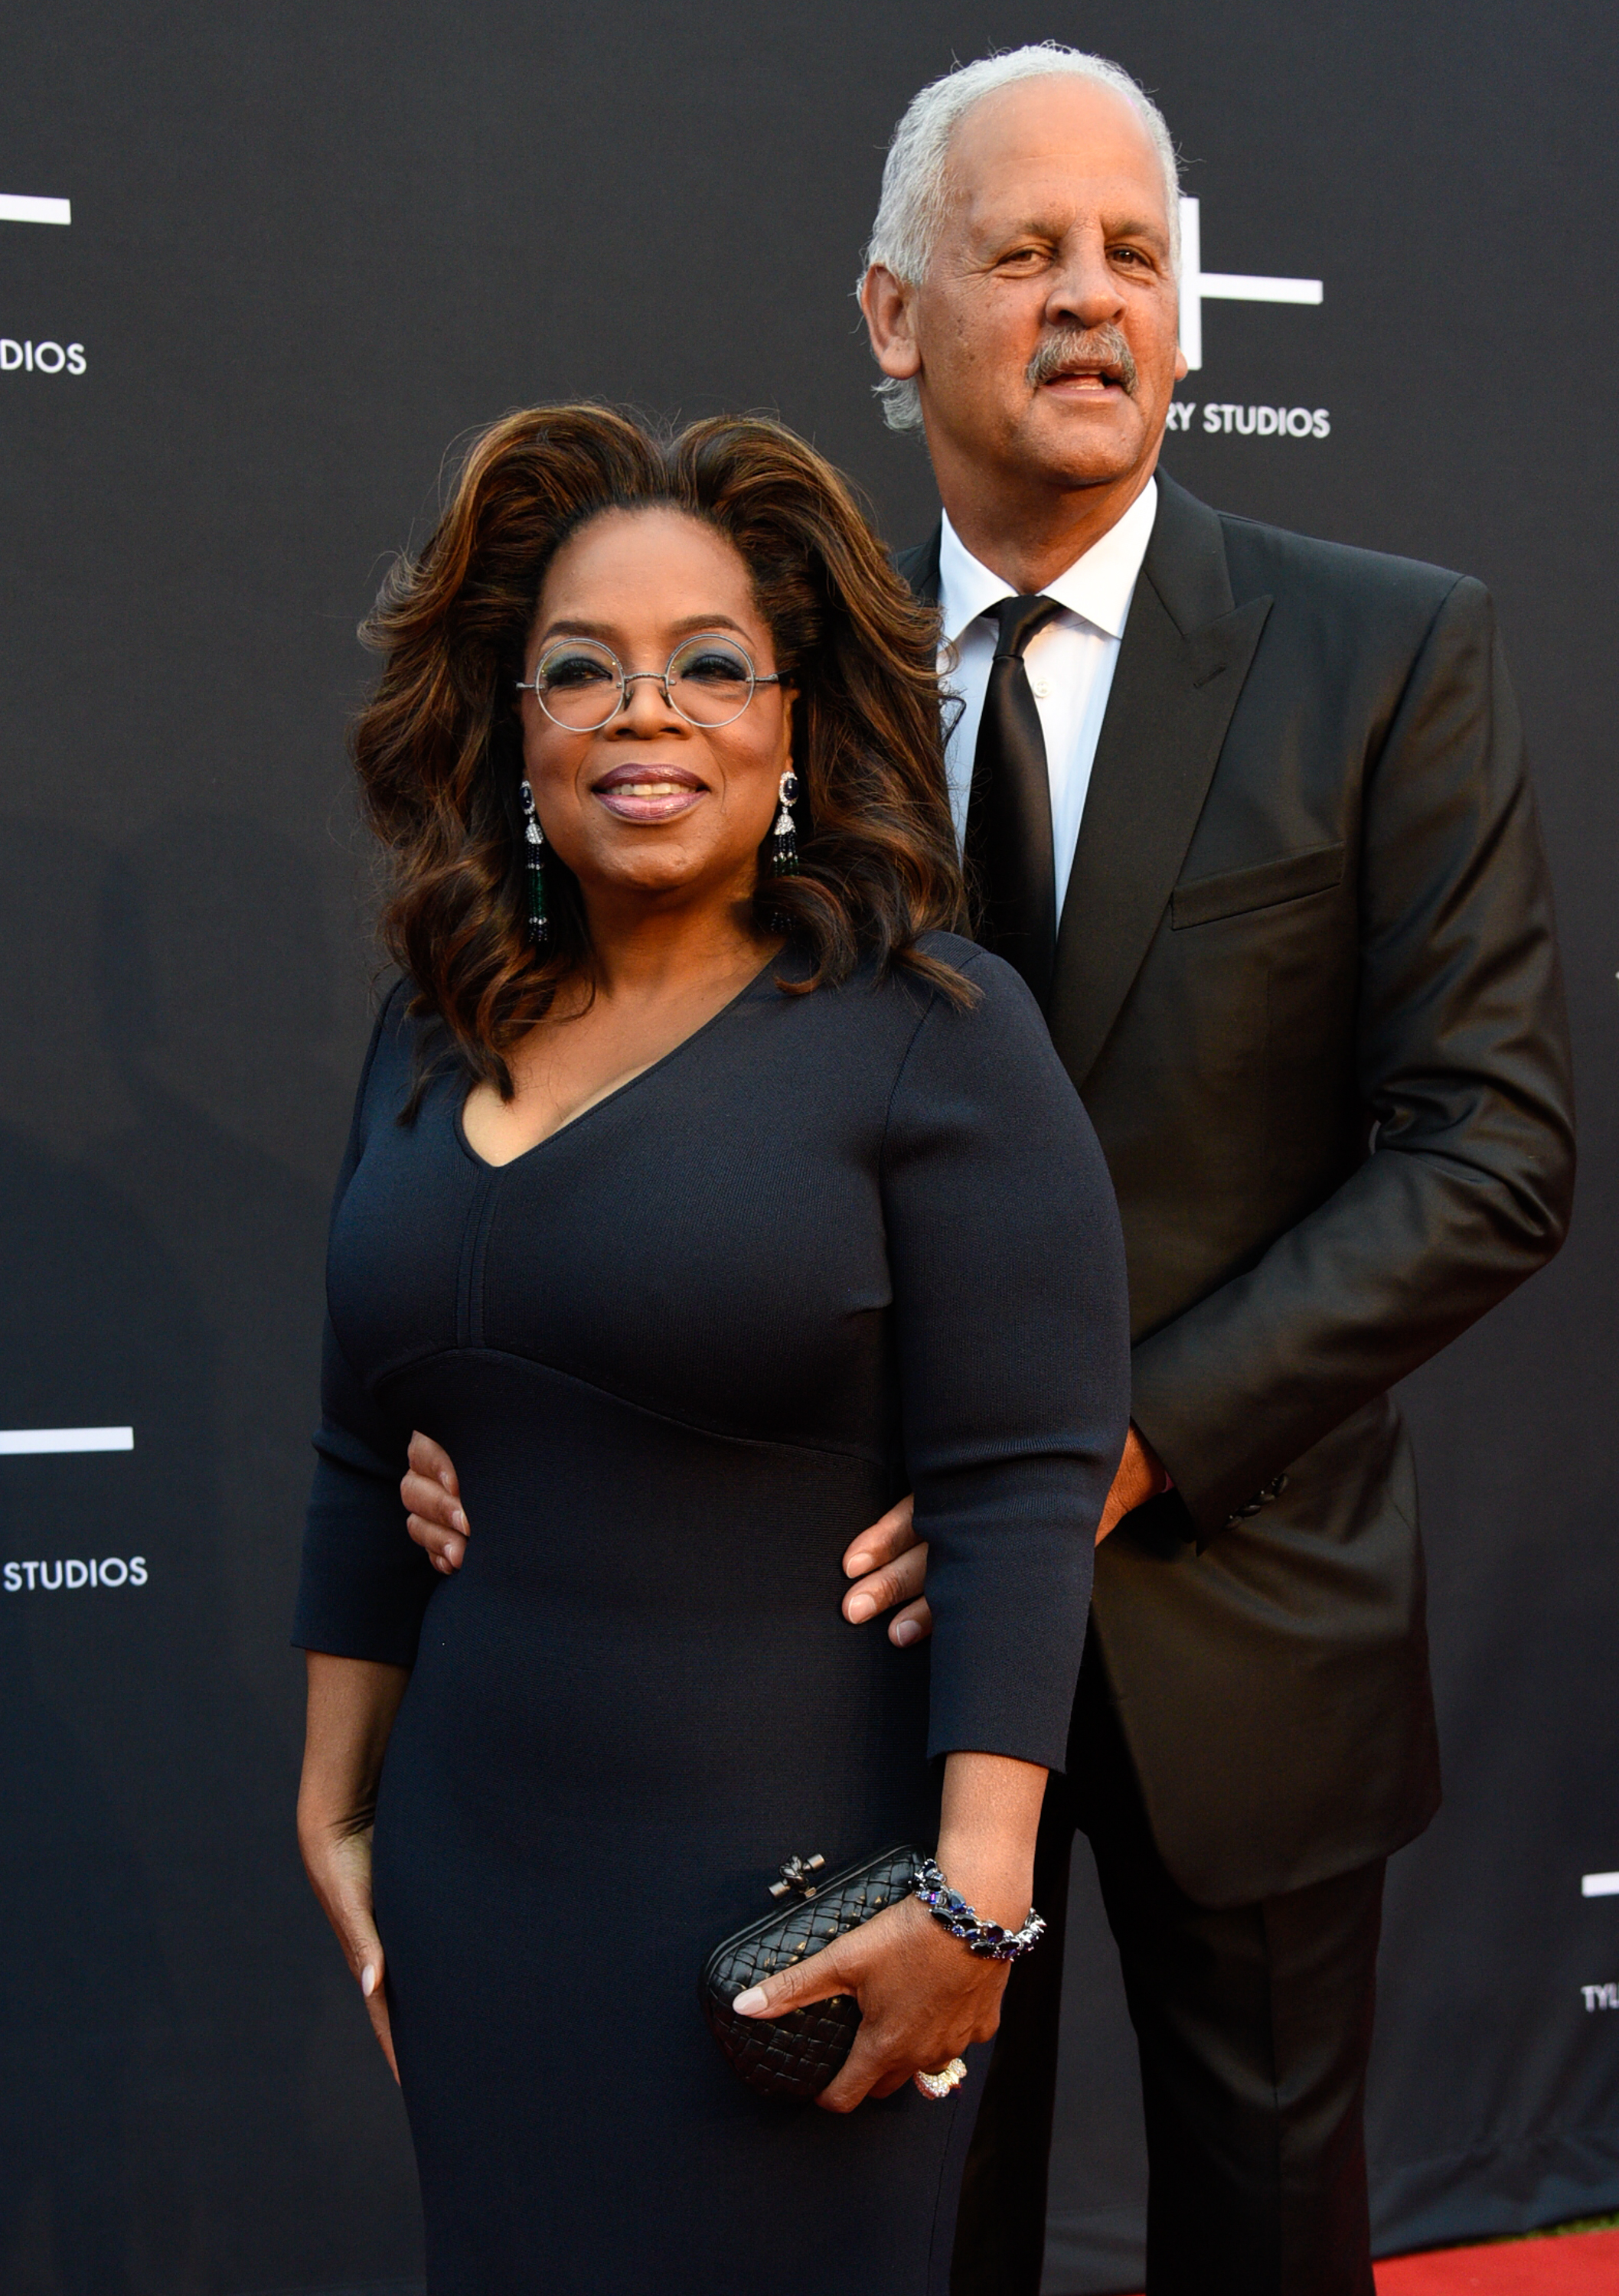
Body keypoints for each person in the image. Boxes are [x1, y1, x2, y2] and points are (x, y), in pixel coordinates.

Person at [402, 45, 1576, 2296]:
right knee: (908, 2244)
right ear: (886, 316)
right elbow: (594, 1079)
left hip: (1248, 1625)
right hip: (850, 1657)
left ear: (1191, 321)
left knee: (1263, 2242)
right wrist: (488, 1432)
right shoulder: (765, 696)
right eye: (1020, 249)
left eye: (1134, 254)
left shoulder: (1382, 651)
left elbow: (1491, 1151)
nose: (1086, 297)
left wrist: (1105, 1456)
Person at [293, 403, 1131, 2295]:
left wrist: (972, 1904)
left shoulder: (932, 1032)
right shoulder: (429, 1031)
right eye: (579, 670)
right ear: (514, 729)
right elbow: (363, 1442)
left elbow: (1016, 1487)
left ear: (791, 725)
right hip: (476, 1878)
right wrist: (332, 1797)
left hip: (785, 1915)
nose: (642, 711)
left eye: (706, 668)